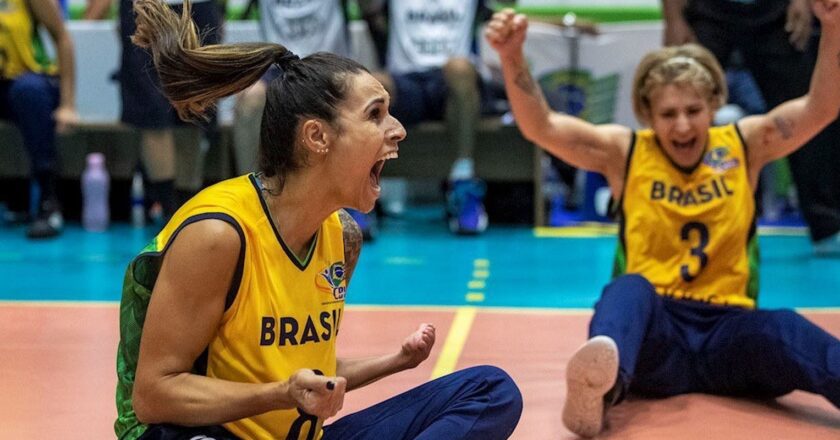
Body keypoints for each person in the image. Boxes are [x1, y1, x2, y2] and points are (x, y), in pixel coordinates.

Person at [114, 1, 523, 438]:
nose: (398, 129)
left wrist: (396, 362)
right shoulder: (218, 234)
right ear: (317, 137)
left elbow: (308, 376)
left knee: (492, 390)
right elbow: (155, 395)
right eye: (375, 114)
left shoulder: (342, 236)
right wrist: (280, 394)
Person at [485, 4, 840, 438]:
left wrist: (834, 26)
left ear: (714, 105)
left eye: (694, 110)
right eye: (669, 114)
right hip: (658, 335)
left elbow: (821, 108)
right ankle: (599, 391)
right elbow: (542, 127)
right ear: (648, 116)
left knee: (784, 327)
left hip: (730, 332)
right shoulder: (627, 151)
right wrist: (512, 55)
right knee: (628, 290)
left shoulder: (745, 143)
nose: (683, 125)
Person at [662, 0, 840, 255]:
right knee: (681, 101)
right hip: (707, 10)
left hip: (773, 10)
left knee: (808, 109)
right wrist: (674, 18)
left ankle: (828, 225)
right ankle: (669, 219)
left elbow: (819, 108)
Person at [231, 0, 379, 239]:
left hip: (331, 67)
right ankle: (254, 200)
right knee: (249, 100)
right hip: (281, 68)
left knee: (354, 102)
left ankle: (354, 195)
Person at [359, 0, 495, 234]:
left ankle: (463, 181)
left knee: (460, 69)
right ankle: (361, 189)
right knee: (372, 84)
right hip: (406, 82)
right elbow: (369, 11)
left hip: (450, 86)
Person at [85, 0, 223, 221]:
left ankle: (188, 206)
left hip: (199, 5)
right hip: (145, 4)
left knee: (195, 105)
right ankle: (169, 210)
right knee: (152, 111)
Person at [0, 0, 78, 238]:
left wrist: (68, 104)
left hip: (27, 80)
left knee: (28, 92)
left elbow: (62, 38)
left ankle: (49, 201)